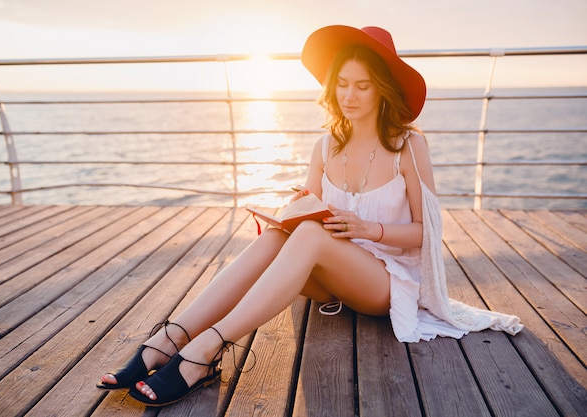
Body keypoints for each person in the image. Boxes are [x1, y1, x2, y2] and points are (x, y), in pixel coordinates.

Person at [96, 25, 523, 407]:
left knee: (311, 238)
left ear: (382, 89)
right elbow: (308, 218)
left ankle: (206, 348)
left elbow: (425, 236)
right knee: (279, 236)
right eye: (341, 84)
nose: (349, 96)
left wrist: (367, 228)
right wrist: (297, 207)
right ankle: (171, 337)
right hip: (330, 281)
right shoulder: (325, 146)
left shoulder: (408, 146)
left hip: (387, 284)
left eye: (362, 86)